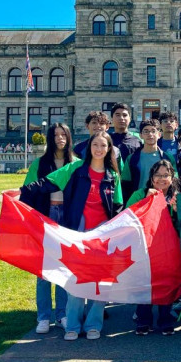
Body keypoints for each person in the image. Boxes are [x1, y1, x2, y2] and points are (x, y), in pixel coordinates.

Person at [57, 131, 123, 341]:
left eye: (103, 146)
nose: (99, 149)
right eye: (95, 144)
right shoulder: (77, 170)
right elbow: (49, 183)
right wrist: (22, 192)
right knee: (76, 278)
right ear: (89, 147)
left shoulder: (113, 176)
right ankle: (73, 325)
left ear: (109, 149)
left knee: (101, 280)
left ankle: (94, 324)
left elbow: (119, 206)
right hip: (78, 231)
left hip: (103, 234)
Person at [22, 123, 78, 334]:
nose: (60, 138)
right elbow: (28, 192)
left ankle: (62, 314)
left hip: (68, 216)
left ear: (68, 137)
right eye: (55, 135)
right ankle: (43, 317)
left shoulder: (77, 163)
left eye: (63, 134)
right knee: (44, 269)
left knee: (65, 266)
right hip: (47, 215)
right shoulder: (40, 163)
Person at [127, 159, 180, 336]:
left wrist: (178, 210)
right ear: (151, 178)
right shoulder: (139, 194)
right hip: (145, 248)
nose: (162, 179)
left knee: (166, 283)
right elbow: (127, 218)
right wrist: (145, 202)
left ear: (172, 178)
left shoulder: (177, 197)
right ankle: (143, 320)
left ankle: (166, 320)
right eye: (158, 175)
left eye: (166, 175)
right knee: (145, 283)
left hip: (169, 248)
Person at [122, 119, 176, 199]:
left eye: (153, 131)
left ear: (159, 134)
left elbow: (174, 181)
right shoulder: (132, 159)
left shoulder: (168, 158)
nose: (150, 134)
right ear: (140, 135)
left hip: (162, 201)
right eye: (146, 131)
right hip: (139, 201)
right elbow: (125, 184)